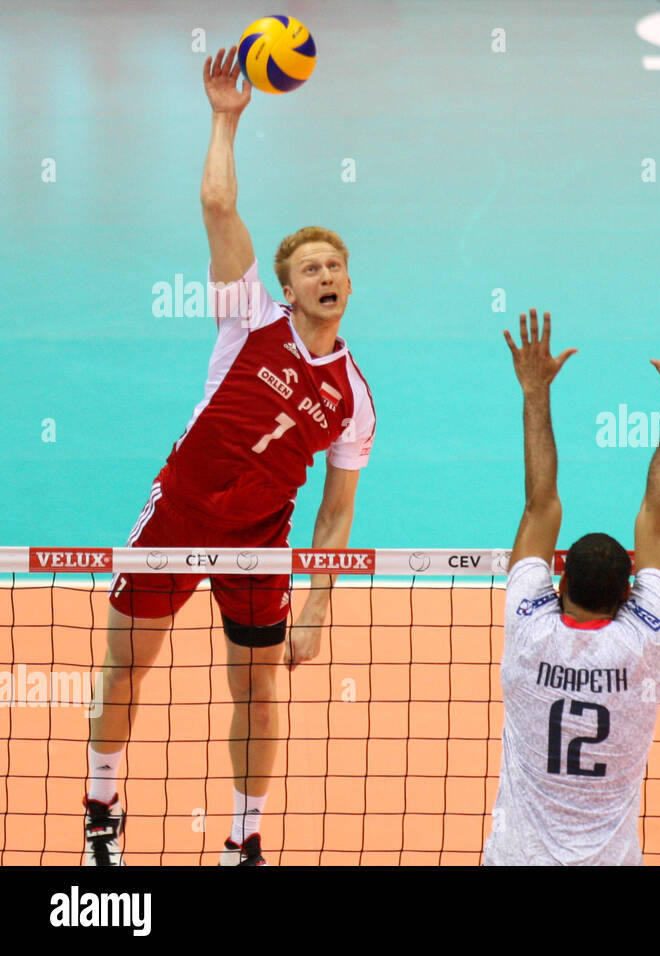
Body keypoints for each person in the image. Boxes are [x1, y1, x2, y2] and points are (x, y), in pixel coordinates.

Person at [83, 48, 377, 866]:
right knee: (124, 669)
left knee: (255, 690)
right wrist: (225, 117)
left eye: (335, 266)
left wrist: (319, 607)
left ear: (348, 286)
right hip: (176, 518)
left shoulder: (354, 398)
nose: (326, 274)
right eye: (310, 267)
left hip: (259, 542)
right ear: (283, 285)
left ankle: (244, 841)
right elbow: (218, 205)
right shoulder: (248, 320)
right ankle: (102, 811)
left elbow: (338, 510)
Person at [483, 312, 660, 865]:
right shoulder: (643, 639)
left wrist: (535, 392)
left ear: (558, 580)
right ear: (628, 595)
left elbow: (540, 502)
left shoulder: (529, 624)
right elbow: (657, 516)